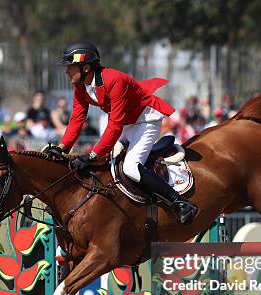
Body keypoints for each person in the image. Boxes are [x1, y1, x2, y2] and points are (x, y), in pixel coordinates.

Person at [45, 41, 198, 224]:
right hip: (128, 122)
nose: (67, 72)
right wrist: (62, 148)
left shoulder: (114, 80)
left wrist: (92, 155)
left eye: (70, 67)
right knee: (107, 163)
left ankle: (179, 203)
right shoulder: (81, 87)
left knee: (130, 168)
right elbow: (77, 119)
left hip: (146, 120)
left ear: (86, 67)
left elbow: (115, 125)